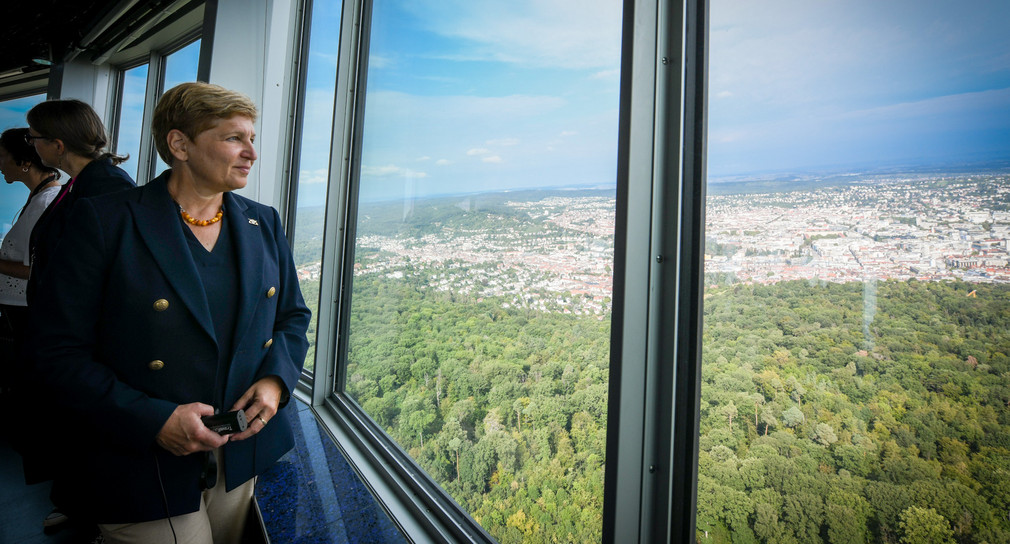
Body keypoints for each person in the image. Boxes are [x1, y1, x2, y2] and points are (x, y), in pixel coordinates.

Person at [28, 81, 310, 544]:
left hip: (240, 453)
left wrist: (276, 381)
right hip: (138, 459)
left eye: (252, 138)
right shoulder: (106, 221)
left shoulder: (264, 222)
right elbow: (56, 352)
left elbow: (293, 317)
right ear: (179, 144)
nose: (251, 153)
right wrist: (153, 419)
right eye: (233, 138)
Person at [25, 98, 136, 304]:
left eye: (33, 138)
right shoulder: (80, 181)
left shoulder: (108, 185)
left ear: (58, 145)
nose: (32, 145)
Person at [0, 128, 61, 394]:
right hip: (18, 310)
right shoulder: (39, 198)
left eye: (2, 156)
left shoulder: (46, 202)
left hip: (24, 313)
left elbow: (39, 269)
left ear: (25, 162)